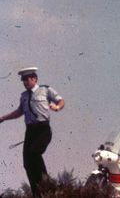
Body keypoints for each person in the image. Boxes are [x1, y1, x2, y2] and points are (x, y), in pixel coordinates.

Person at [0, 67, 65, 197]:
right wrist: (3, 118)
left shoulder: (45, 90)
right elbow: (19, 112)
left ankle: (47, 186)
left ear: (34, 79)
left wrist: (57, 107)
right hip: (30, 131)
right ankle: (37, 192)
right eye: (23, 80)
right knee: (27, 162)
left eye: (27, 79)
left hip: (43, 129)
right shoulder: (24, 96)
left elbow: (61, 101)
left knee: (34, 153)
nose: (25, 82)